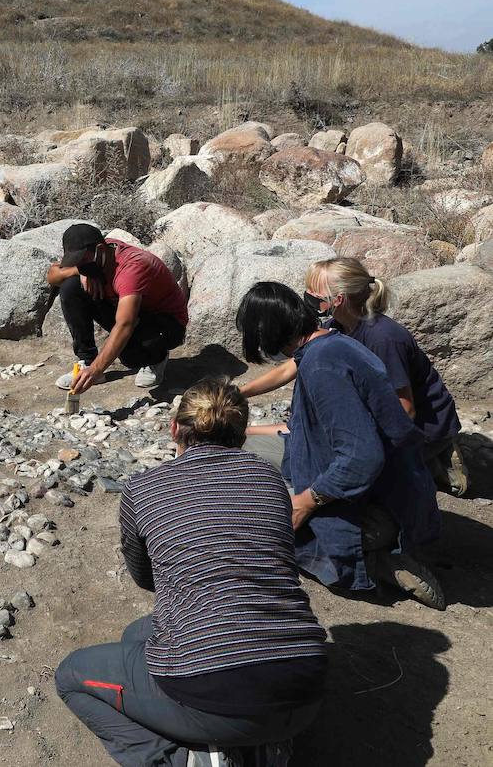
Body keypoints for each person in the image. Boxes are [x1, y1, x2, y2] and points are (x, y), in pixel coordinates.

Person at [57, 379, 328, 767]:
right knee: (137, 635)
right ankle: (258, 745)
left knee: (70, 677)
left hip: (213, 691)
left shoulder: (142, 488)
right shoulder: (268, 479)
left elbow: (145, 577)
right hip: (305, 688)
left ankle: (181, 760)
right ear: (241, 435)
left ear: (174, 429)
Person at [234, 282, 444, 609]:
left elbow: (363, 457)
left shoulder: (322, 366)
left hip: (379, 514)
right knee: (240, 450)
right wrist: (247, 430)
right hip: (392, 494)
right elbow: (303, 430)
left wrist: (306, 501)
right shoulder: (331, 346)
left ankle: (377, 563)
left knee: (254, 523)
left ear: (266, 333)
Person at [239, 258, 467, 496]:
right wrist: (241, 392)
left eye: (314, 296)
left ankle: (431, 459)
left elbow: (405, 410)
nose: (307, 301)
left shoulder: (383, 338)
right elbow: (290, 367)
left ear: (338, 300)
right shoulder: (334, 327)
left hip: (425, 427)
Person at [48, 223, 188, 393]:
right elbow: (53, 276)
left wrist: (96, 371)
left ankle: (156, 359)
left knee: (131, 356)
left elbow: (124, 325)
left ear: (100, 249)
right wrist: (82, 271)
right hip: (131, 310)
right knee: (70, 287)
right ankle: (87, 360)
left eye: (82, 260)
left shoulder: (132, 268)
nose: (79, 263)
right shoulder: (95, 253)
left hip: (164, 322)